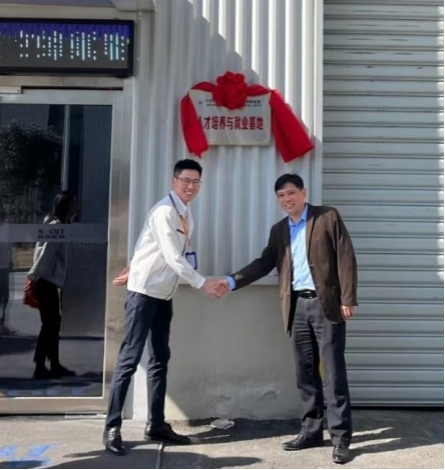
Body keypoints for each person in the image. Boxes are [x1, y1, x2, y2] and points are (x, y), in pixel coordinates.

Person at [222, 174, 358, 465]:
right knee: (305, 373)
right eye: (281, 195)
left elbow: (345, 256)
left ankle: (341, 438)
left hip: (326, 305)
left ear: (303, 193)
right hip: (295, 307)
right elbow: (264, 263)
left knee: (333, 374)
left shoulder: (327, 217)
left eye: (291, 193)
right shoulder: (279, 230)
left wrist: (348, 298)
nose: (287, 199)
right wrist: (232, 281)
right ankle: (311, 431)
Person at [104, 159, 228, 456]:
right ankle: (112, 427)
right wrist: (202, 283)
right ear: (174, 182)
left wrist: (134, 264)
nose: (191, 186)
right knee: (129, 359)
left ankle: (156, 424)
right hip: (144, 294)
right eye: (185, 180)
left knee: (160, 358)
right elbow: (173, 257)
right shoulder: (164, 212)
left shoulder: (185, 213)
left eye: (196, 182)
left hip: (164, 295)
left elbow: (147, 245)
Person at [28, 191, 78, 380]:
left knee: (52, 324)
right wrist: (34, 276)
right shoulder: (56, 226)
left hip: (47, 281)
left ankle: (53, 364)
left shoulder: (56, 223)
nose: (76, 207)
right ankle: (41, 366)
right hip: (44, 281)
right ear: (65, 205)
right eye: (73, 203)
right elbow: (45, 253)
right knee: (50, 324)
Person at [0, 231, 13, 332]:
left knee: (5, 296)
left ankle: (2, 322)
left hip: (5, 268)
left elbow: (9, 249)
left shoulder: (6, 235)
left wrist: (10, 261)